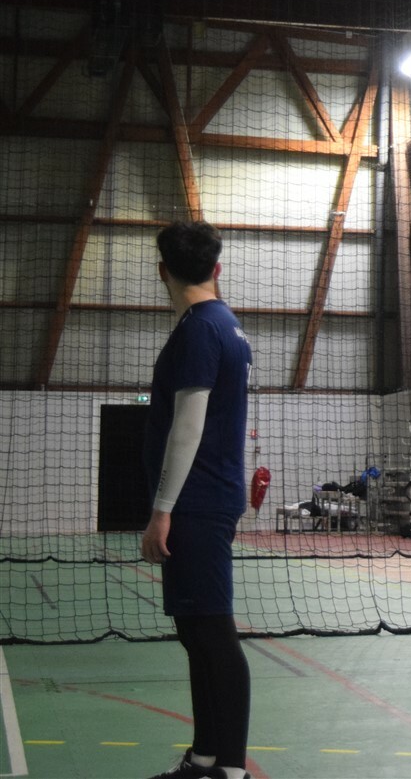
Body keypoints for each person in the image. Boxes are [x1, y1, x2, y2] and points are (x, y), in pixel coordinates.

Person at [141, 221, 254, 779]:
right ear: (217, 268)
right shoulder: (221, 324)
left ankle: (230, 768)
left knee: (213, 633)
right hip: (205, 498)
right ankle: (205, 756)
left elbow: (188, 428)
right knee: (195, 632)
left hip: (197, 502)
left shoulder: (201, 330)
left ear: (162, 271)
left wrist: (162, 510)